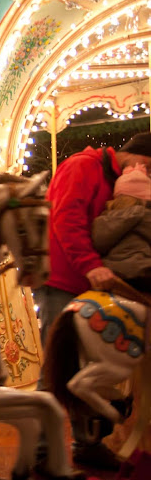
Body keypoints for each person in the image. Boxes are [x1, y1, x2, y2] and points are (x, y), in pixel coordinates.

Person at [34, 132, 151, 471]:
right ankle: (42, 450)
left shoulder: (117, 180)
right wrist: (92, 265)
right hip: (63, 279)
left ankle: (86, 443)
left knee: (90, 368)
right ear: (140, 160)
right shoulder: (81, 167)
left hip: (90, 282)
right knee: (58, 368)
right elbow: (66, 220)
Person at [91, 163, 151, 292]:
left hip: (112, 275)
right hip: (143, 273)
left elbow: (99, 243)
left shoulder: (104, 218)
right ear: (145, 199)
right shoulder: (146, 217)